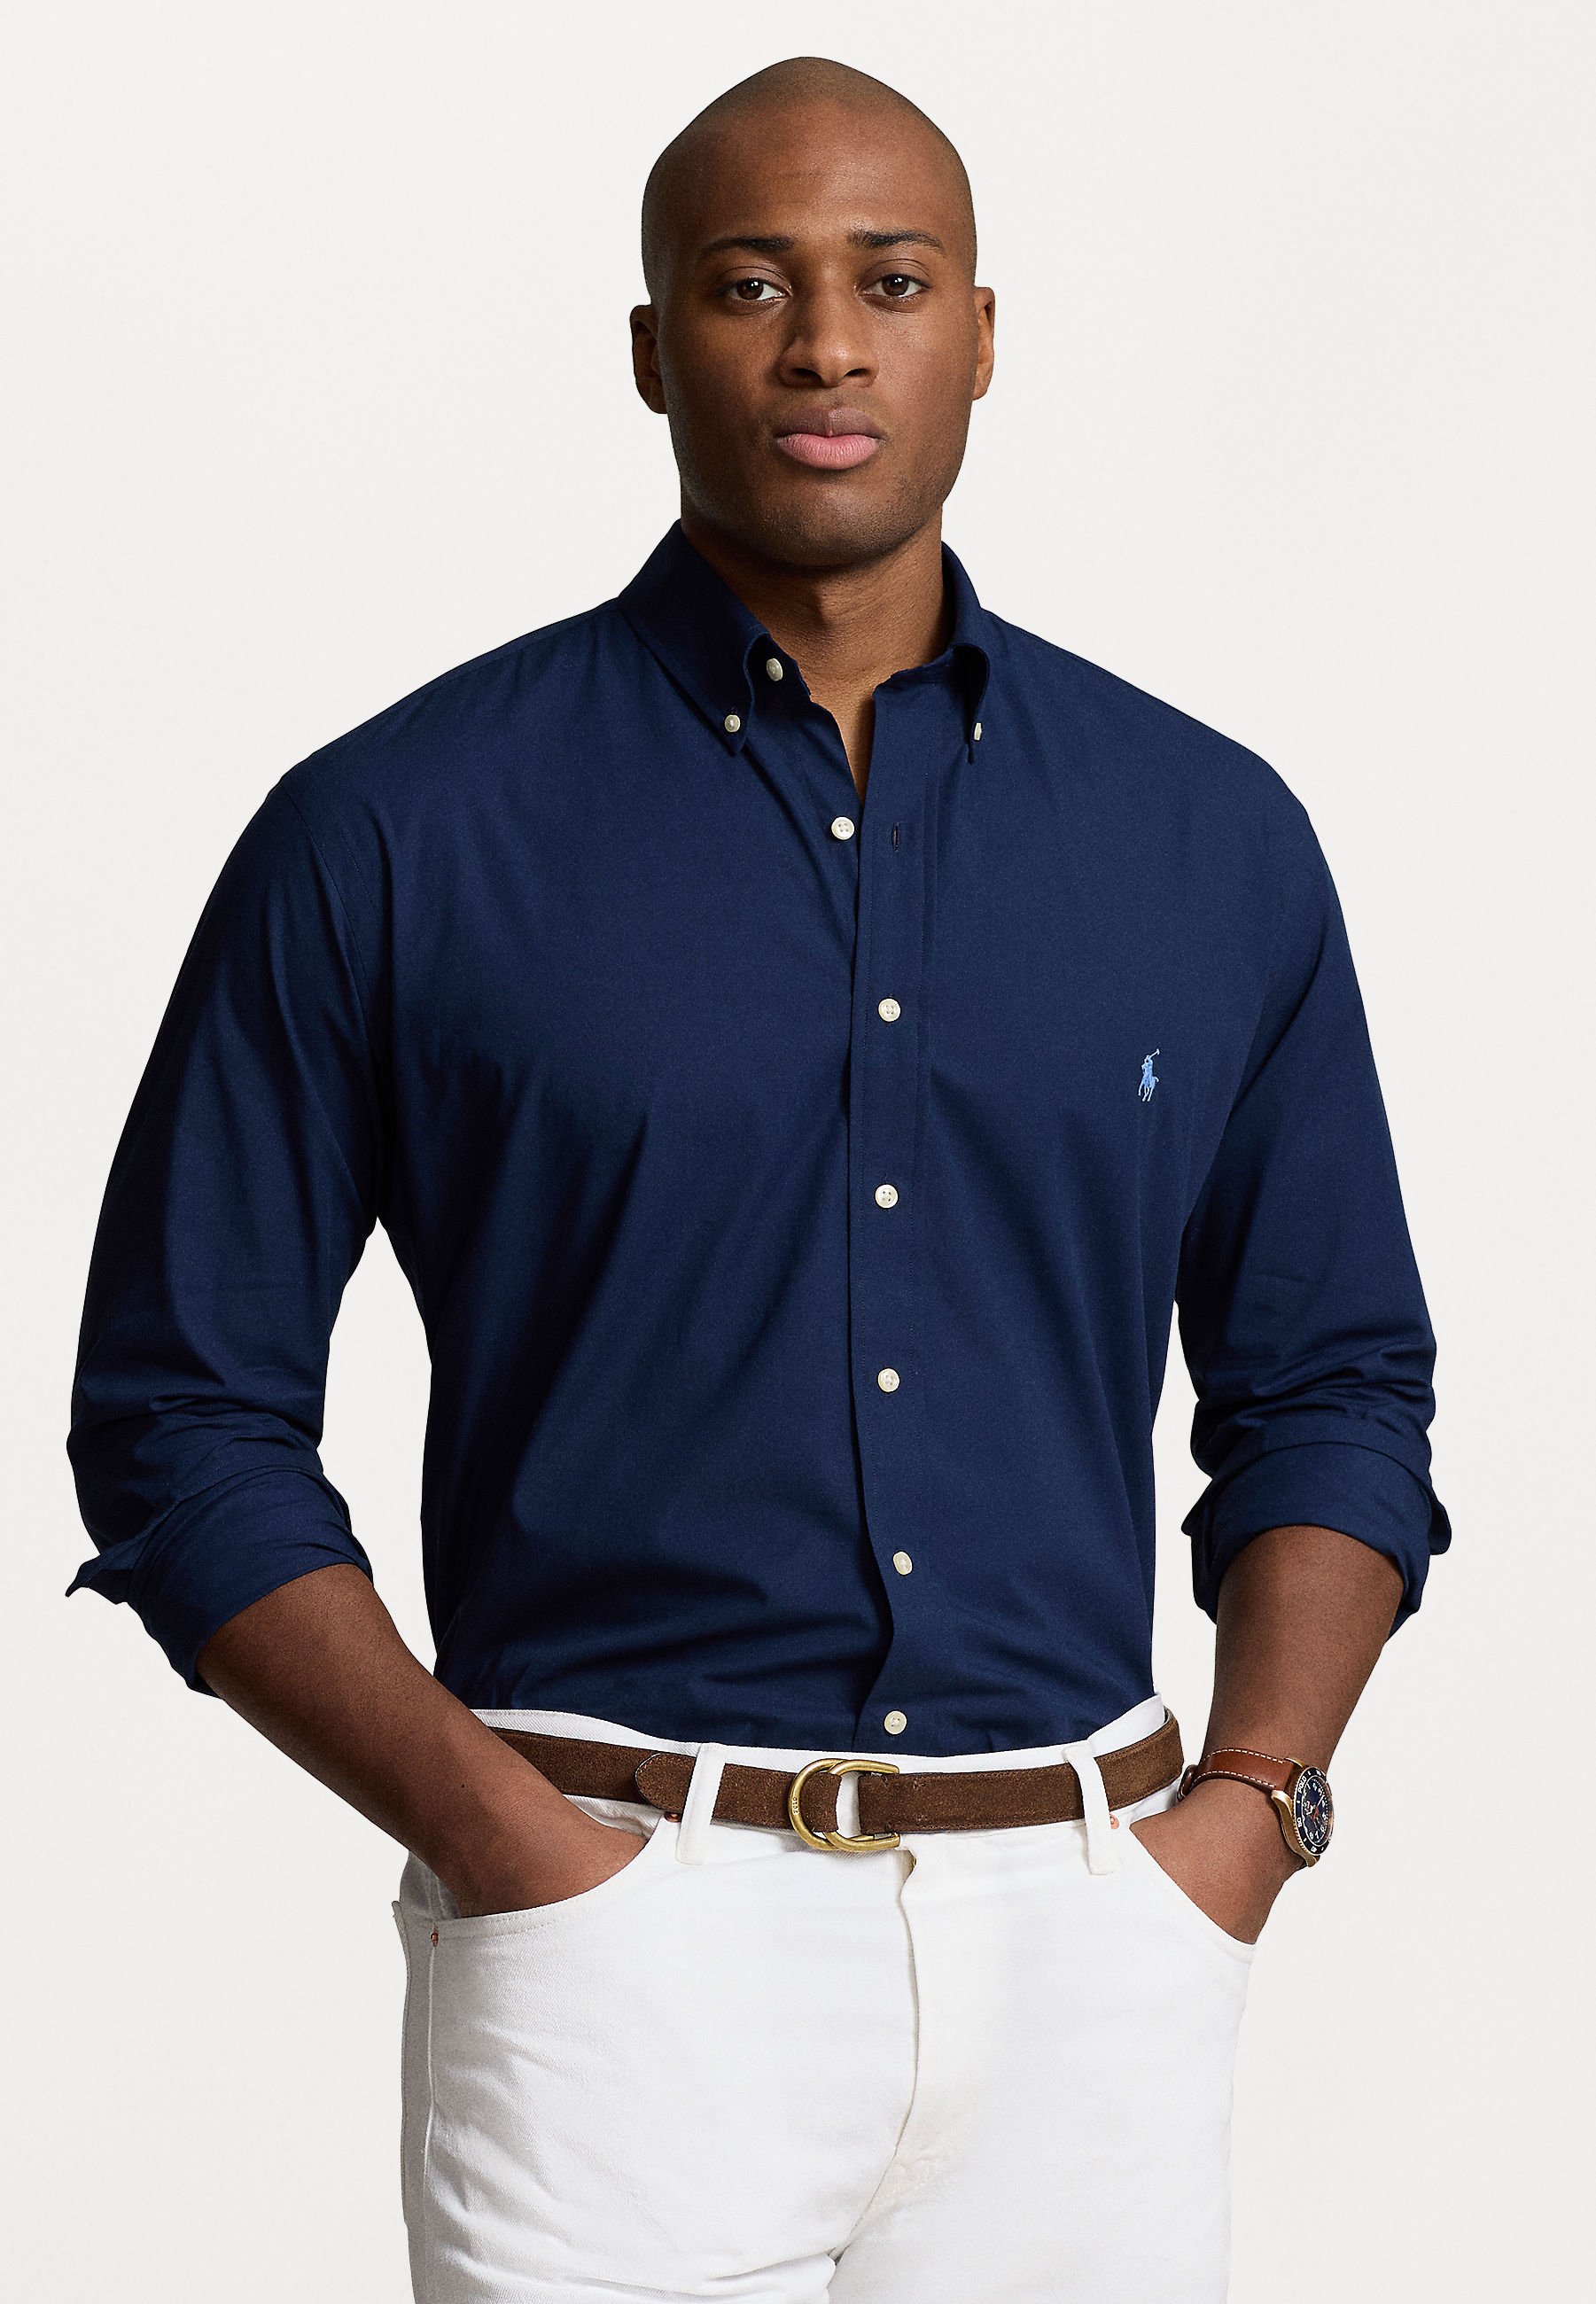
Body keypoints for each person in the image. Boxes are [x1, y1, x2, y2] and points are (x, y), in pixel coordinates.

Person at [66, 55, 1448, 2302]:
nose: (823, 345)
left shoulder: (1209, 837)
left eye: (889, 283)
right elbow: (178, 1418)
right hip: (611, 1944)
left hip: (1092, 1951)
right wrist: (507, 1841)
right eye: (747, 284)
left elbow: (1334, 1384)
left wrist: (1247, 1817)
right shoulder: (394, 831)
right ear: (650, 349)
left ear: (979, 335)